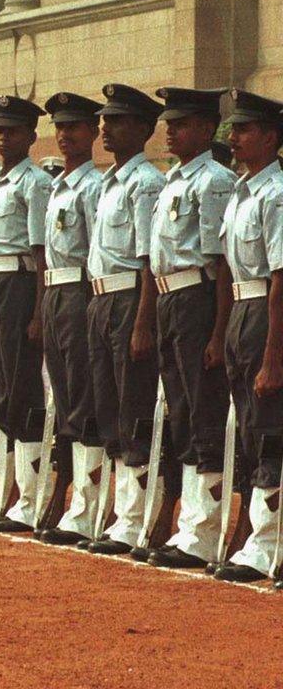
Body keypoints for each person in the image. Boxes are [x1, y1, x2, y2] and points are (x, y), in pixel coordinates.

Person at [147, 87, 234, 570]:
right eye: (168, 123)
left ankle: (204, 532)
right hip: (168, 296)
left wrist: (218, 332)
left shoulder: (213, 181)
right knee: (179, 409)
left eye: (179, 124)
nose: (170, 131)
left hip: (198, 297)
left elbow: (220, 264)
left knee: (201, 408)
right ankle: (188, 524)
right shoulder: (174, 178)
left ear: (205, 129)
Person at [84, 84, 165, 557]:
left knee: (132, 404)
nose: (105, 129)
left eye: (117, 121)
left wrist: (141, 322)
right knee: (108, 405)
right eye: (105, 121)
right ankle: (120, 513)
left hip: (127, 300)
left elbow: (147, 263)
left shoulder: (145, 183)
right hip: (99, 300)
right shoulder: (108, 179)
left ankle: (136, 517)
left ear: (142, 129)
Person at [215, 90, 283, 582]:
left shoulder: (277, 193)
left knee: (270, 430)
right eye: (232, 129)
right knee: (250, 430)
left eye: (244, 130)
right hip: (243, 308)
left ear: (272, 138)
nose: (233, 138)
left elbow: (281, 277)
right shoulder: (244, 190)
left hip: (266, 309)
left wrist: (273, 357)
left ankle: (268, 545)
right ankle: (256, 538)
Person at [0, 95, 52, 533]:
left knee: (22, 387)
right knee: (0, 386)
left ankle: (31, 497)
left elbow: (41, 251)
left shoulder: (34, 183)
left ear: (31, 136)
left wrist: (38, 311)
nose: (3, 137)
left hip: (20, 283)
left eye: (12, 131)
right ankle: (7, 490)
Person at [35, 93, 104, 546]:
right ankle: (69, 495)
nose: (65, 135)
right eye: (60, 127)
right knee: (62, 395)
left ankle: (87, 504)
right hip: (57, 291)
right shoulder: (59, 184)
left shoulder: (95, 185)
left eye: (75, 127)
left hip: (82, 289)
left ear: (93, 133)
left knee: (83, 394)